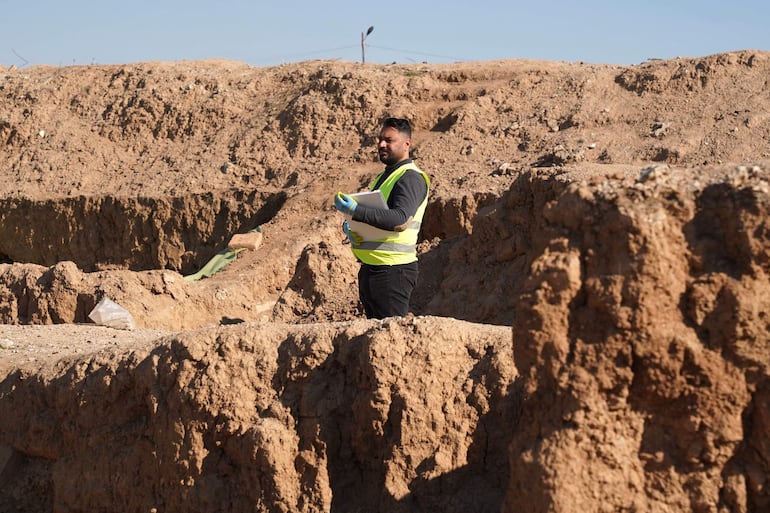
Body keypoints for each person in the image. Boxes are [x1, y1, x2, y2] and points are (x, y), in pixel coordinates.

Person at [334, 117, 430, 319]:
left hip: (393, 272)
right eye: (379, 139)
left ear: (406, 144)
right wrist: (354, 227)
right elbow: (380, 216)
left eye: (389, 140)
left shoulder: (410, 178)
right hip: (373, 271)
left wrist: (356, 211)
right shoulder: (383, 177)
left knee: (390, 341)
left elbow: (400, 220)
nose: (381, 144)